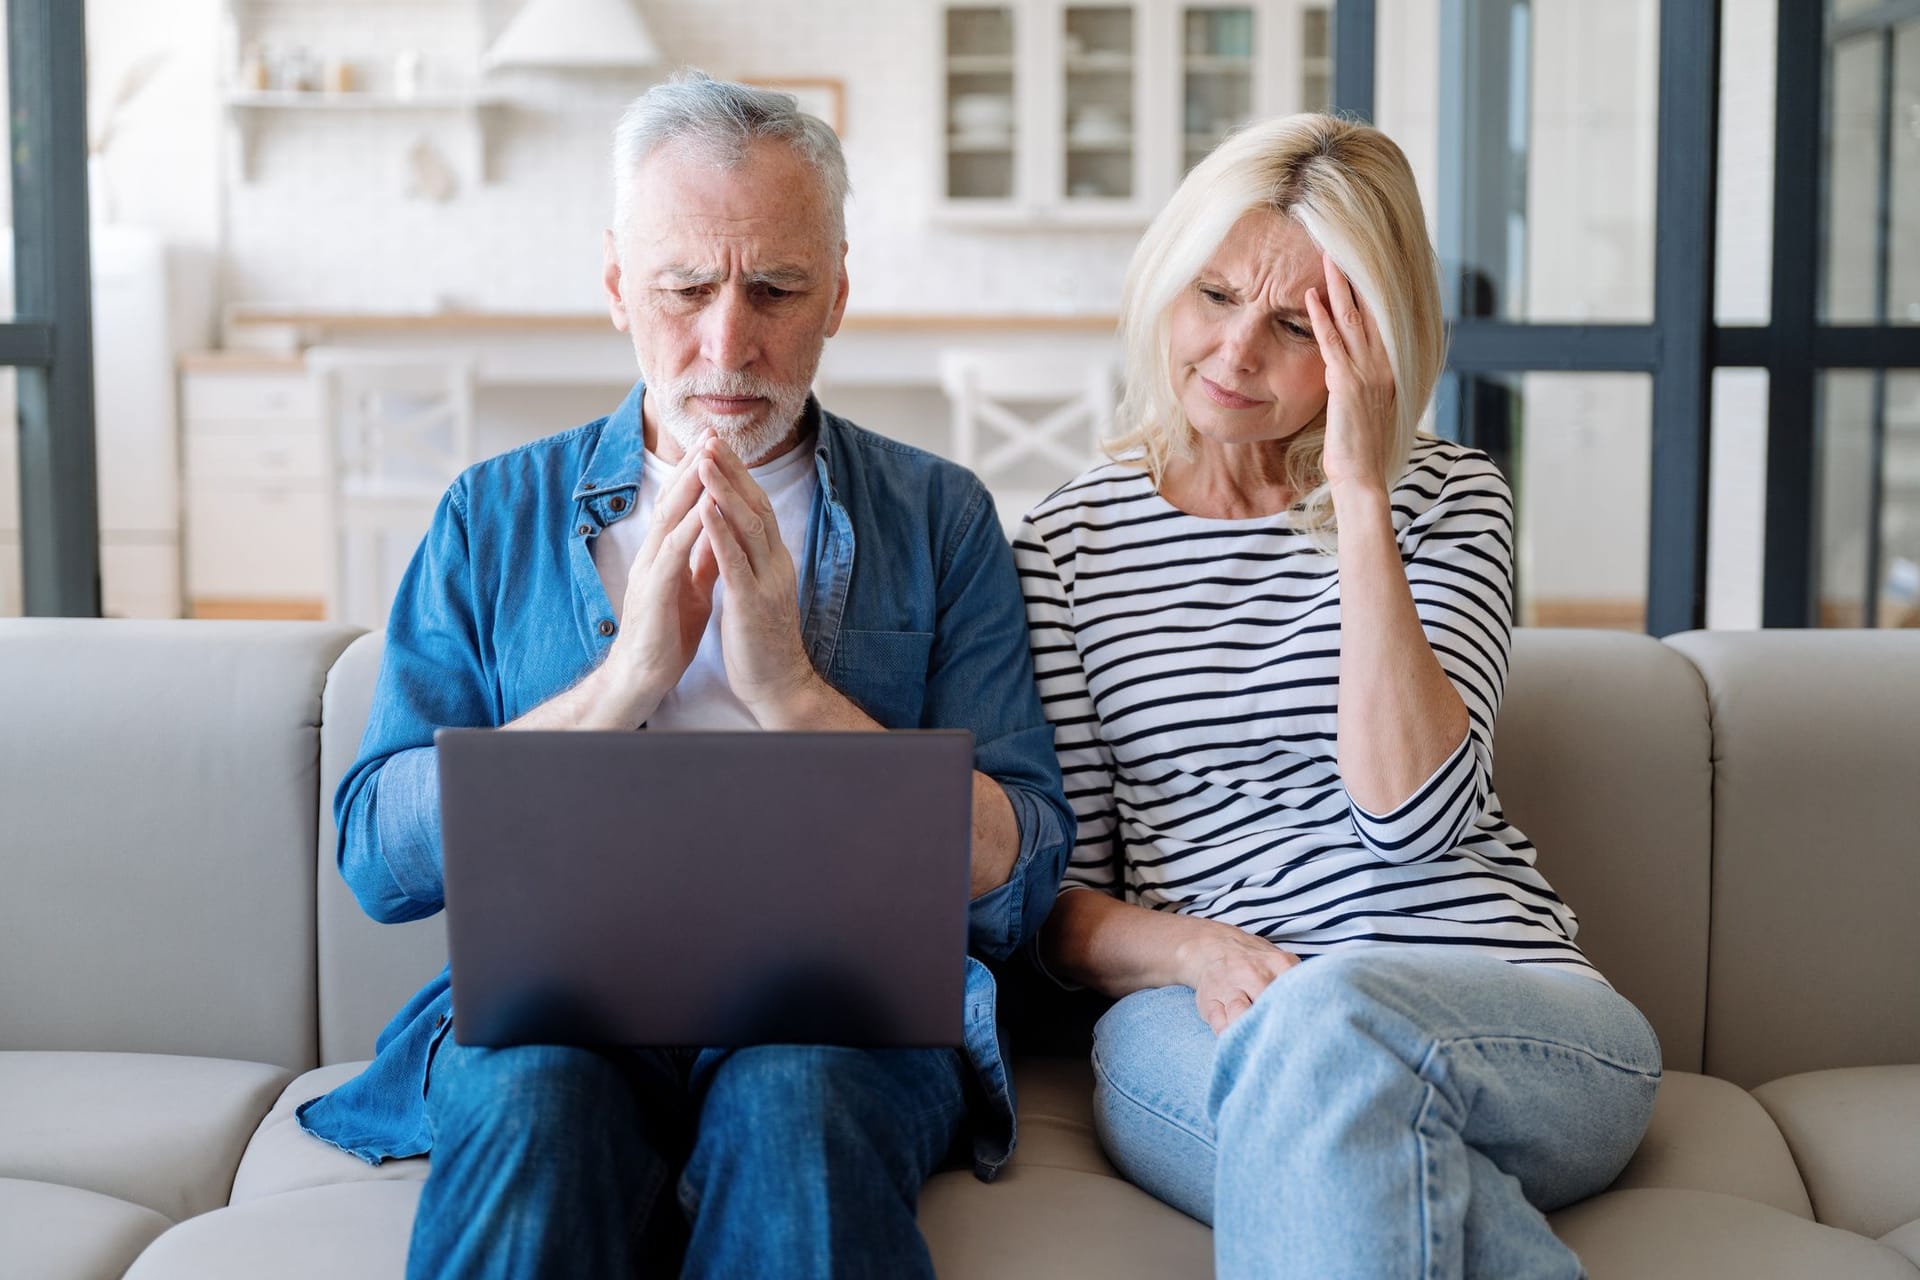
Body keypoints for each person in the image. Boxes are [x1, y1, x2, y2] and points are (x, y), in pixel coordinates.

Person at [296, 71, 1072, 1279]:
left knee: (797, 1106)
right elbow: (377, 860)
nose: (728, 342)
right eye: (684, 289)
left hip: (836, 1026)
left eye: (776, 289)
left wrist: (794, 693)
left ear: (838, 298)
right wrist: (620, 683)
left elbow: (1019, 869)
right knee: (537, 1104)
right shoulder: (490, 515)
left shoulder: (941, 517)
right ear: (617, 287)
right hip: (555, 1018)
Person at [1013, 113, 1661, 1279]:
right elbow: (1058, 903)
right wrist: (1201, 951)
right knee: (1336, 1090)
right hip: (1204, 1019)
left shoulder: (1446, 496)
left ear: (1371, 341)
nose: (1234, 353)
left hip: (1505, 1016)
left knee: (1336, 1017)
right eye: (1212, 294)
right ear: (1166, 275)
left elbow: (1409, 817)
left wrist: (1361, 493)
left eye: (1295, 324)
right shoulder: (1067, 541)